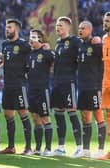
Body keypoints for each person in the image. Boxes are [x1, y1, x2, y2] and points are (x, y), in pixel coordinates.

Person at [0, 19, 32, 155]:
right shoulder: (5, 44)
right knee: (8, 115)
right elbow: (6, 60)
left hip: (19, 84)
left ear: (16, 30)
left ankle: (28, 148)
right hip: (7, 84)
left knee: (23, 113)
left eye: (9, 27)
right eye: (6, 27)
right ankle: (11, 147)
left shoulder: (24, 45)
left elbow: (34, 54)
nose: (7, 29)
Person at [50, 16, 82, 157]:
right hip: (57, 83)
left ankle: (80, 147)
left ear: (68, 27)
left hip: (69, 82)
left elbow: (83, 52)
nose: (58, 27)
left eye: (61, 25)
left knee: (72, 113)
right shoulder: (57, 43)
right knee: (58, 114)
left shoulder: (75, 41)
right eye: (57, 25)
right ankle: (61, 147)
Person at [77, 21, 106, 158]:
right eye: (79, 28)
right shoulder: (79, 45)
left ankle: (100, 150)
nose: (80, 30)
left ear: (90, 30)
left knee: (98, 117)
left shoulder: (96, 45)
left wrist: (99, 40)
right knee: (85, 118)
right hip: (82, 87)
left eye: (83, 28)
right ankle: (86, 150)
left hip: (95, 86)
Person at [27, 29, 54, 156]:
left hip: (42, 90)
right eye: (30, 37)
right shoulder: (29, 54)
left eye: (33, 37)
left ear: (40, 39)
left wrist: (48, 49)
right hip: (31, 90)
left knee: (45, 119)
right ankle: (37, 148)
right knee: (35, 119)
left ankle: (48, 149)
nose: (31, 39)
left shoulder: (46, 53)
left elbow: (55, 63)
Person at [100, 11, 110, 160]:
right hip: (106, 83)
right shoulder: (104, 38)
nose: (105, 23)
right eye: (105, 21)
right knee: (109, 117)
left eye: (108, 21)